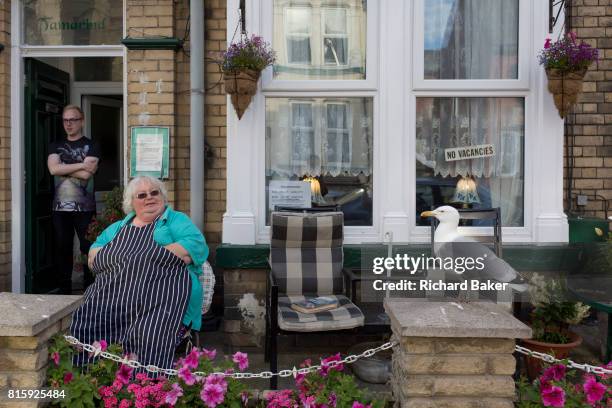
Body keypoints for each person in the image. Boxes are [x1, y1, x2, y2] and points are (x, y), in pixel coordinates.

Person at [70, 176, 209, 372]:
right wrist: (139, 259)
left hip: (164, 299)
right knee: (87, 323)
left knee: (147, 333)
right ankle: (94, 379)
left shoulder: (176, 221)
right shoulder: (118, 228)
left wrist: (138, 258)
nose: (149, 198)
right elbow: (94, 255)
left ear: (162, 196)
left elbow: (195, 246)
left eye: (154, 193)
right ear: (132, 203)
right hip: (116, 297)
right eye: (141, 195)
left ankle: (146, 387)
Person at [47, 105, 100, 294]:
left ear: (82, 121)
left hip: (85, 208)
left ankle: (90, 290)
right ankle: (64, 291)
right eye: (65, 120)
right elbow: (53, 170)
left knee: (88, 248)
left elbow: (88, 175)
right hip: (60, 208)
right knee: (63, 249)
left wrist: (64, 166)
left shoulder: (92, 145)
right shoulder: (55, 145)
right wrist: (80, 165)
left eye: (73, 120)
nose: (68, 124)